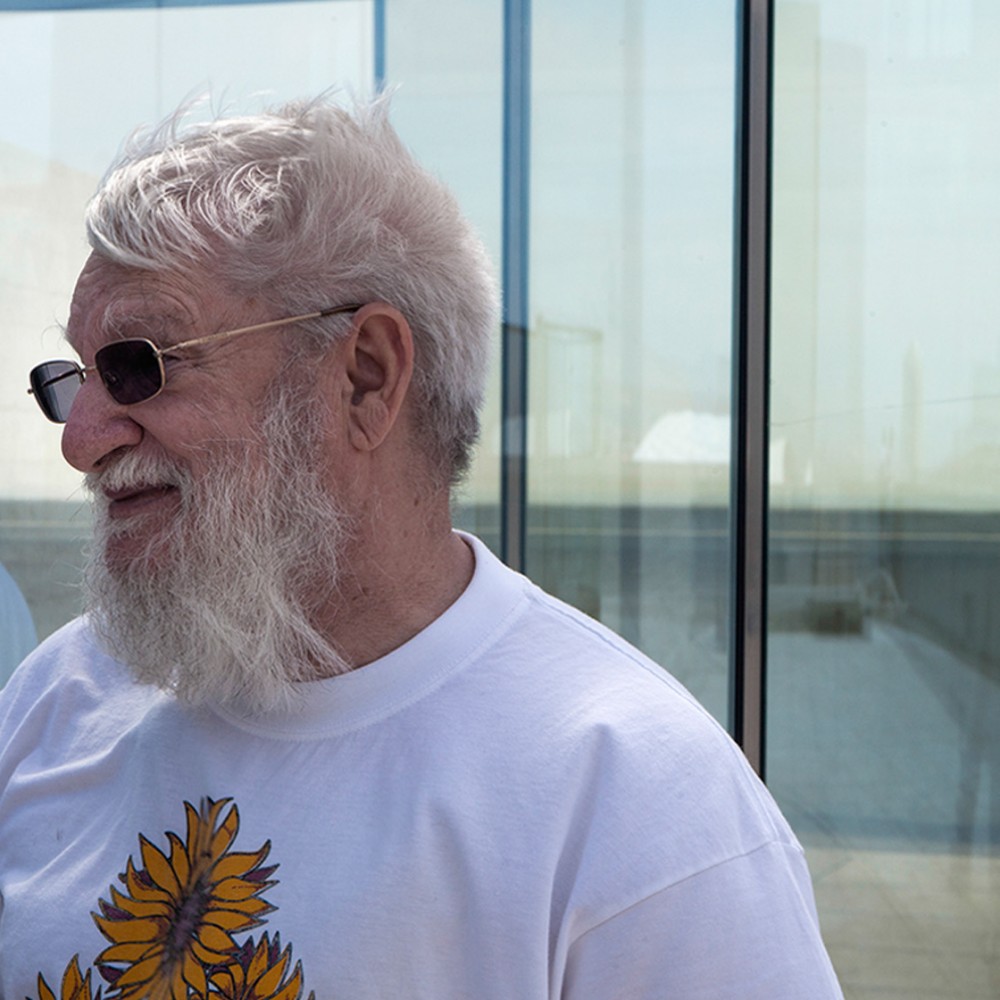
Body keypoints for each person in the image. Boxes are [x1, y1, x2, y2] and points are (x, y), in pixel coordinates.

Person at [1, 94, 843, 998]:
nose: (80, 440)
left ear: (366, 378)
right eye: (72, 379)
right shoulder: (56, 702)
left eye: (139, 365)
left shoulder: (636, 802)